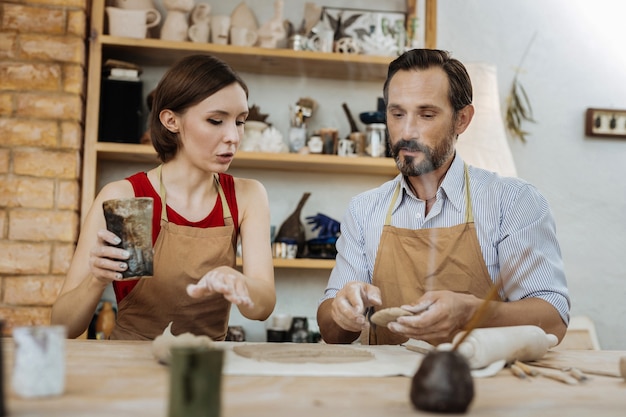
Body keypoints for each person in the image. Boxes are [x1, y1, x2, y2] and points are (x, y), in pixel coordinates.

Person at [317, 49, 570, 346]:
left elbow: (553, 320)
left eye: (426, 114)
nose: (407, 131)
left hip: (484, 384)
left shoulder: (513, 202)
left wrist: (471, 314)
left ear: (462, 119)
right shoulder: (364, 209)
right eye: (397, 114)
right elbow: (330, 330)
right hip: (385, 385)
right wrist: (343, 311)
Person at [52, 54, 276, 340]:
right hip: (129, 366)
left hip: (204, 365)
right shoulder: (127, 197)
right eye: (216, 120)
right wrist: (96, 279)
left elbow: (263, 307)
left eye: (240, 122)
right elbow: (63, 328)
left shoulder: (247, 196)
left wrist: (240, 283)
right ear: (171, 121)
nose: (233, 136)